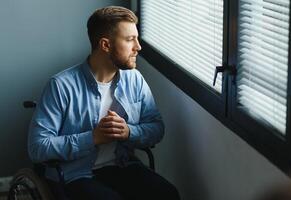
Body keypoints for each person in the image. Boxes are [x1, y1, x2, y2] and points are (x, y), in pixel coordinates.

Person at [28, 6, 180, 200]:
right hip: (75, 174)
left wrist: (128, 132)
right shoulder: (60, 86)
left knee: (167, 194)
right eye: (129, 39)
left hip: (122, 165)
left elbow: (156, 128)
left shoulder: (135, 79)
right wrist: (92, 138)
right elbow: (38, 148)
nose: (138, 47)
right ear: (105, 45)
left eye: (137, 38)